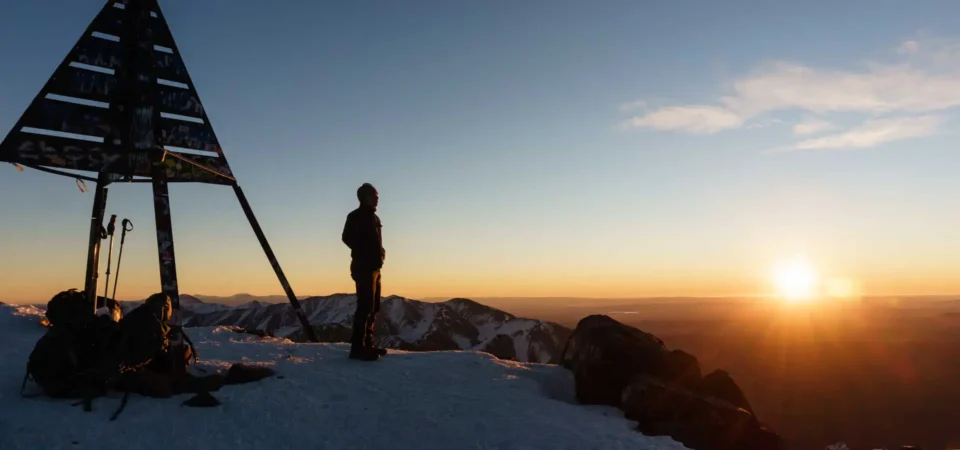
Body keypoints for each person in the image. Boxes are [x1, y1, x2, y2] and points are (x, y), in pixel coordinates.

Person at [341, 183, 387, 361]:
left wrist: (381, 252)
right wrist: (365, 252)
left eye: (377, 196)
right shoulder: (356, 216)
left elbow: (375, 241)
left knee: (374, 306)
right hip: (363, 267)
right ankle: (357, 349)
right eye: (374, 196)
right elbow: (347, 238)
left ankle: (368, 344)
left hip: (375, 267)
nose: (377, 199)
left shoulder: (374, 218)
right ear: (364, 197)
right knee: (365, 307)